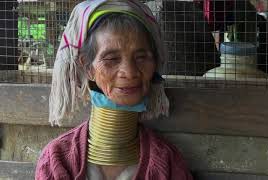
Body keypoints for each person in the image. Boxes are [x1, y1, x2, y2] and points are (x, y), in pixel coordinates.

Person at [35, 0, 193, 179]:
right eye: (111, 59)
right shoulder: (58, 160)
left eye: (141, 57)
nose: (130, 72)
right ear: (87, 67)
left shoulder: (167, 163)